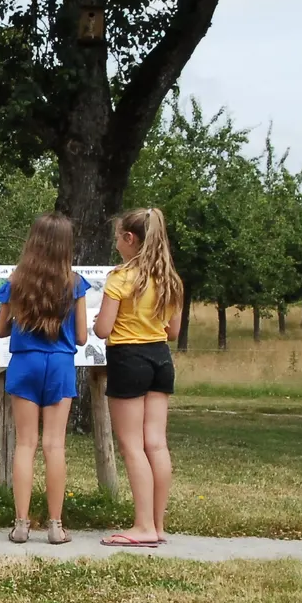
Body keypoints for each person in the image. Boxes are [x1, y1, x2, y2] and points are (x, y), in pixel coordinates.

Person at [0, 213, 90, 544]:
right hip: (60, 364)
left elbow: (1, 329)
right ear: (66, 245)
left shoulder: (16, 281)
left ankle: (21, 524)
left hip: (24, 363)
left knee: (25, 444)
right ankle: (55, 526)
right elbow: (81, 337)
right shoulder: (75, 283)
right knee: (54, 445)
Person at [91, 208, 184, 547]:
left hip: (128, 359)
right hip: (161, 359)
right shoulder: (171, 280)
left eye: (118, 238)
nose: (117, 244)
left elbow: (102, 328)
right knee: (156, 443)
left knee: (131, 445)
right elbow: (172, 331)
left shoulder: (120, 278)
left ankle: (142, 526)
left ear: (130, 239)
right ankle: (157, 524)